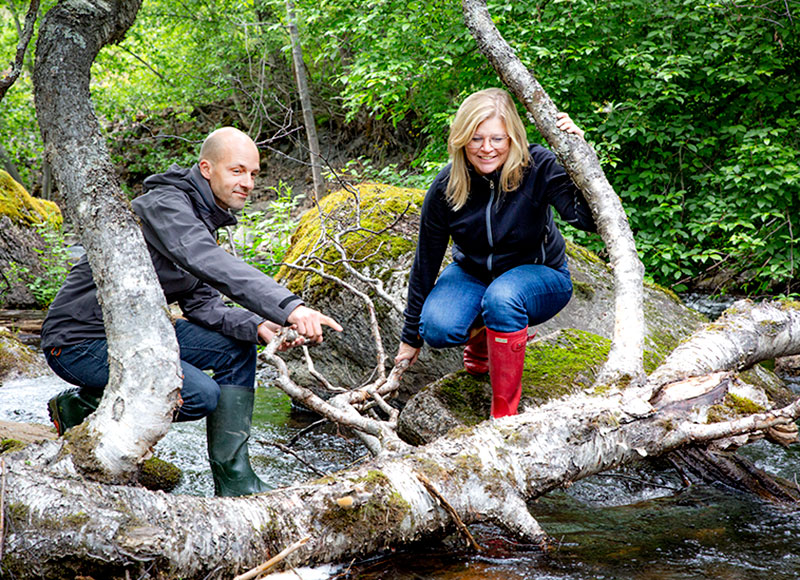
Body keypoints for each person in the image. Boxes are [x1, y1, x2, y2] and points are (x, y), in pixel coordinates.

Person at [41, 127, 342, 496]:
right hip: (76, 342)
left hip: (142, 333)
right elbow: (204, 259)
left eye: (254, 174)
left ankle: (234, 479)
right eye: (237, 171)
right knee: (199, 394)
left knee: (237, 347)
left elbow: (202, 304)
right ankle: (78, 408)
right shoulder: (165, 205)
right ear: (206, 168)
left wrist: (259, 324)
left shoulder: (201, 220)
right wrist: (289, 307)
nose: (248, 182)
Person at [395, 88, 596, 419]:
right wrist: (410, 339)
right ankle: (483, 342)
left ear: (513, 138)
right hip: (474, 273)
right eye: (476, 139)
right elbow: (425, 263)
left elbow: (587, 220)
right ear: (461, 140)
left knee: (503, 299)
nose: (486, 149)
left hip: (541, 274)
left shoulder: (540, 166)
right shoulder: (447, 186)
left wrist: (579, 155)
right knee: (436, 328)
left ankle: (503, 417)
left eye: (497, 139)